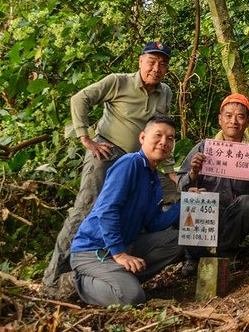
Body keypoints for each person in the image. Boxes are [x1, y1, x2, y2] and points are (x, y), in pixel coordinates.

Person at [43, 41, 173, 297]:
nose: (156, 68)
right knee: (86, 209)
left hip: (141, 162)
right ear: (140, 62)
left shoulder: (165, 92)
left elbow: (160, 132)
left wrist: (169, 171)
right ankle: (54, 278)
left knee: (168, 198)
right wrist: (86, 138)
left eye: (162, 64)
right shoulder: (119, 81)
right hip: (107, 153)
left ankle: (123, 263)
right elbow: (80, 98)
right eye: (151, 62)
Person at [69, 116, 184, 306]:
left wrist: (186, 204)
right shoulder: (130, 163)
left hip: (126, 245)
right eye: (158, 135)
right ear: (142, 138)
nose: (164, 142)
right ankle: (81, 282)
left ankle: (120, 278)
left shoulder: (154, 178)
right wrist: (119, 253)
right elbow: (107, 210)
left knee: (178, 240)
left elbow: (154, 224)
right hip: (95, 249)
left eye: (170, 138)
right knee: (133, 298)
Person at [176, 93, 249, 274]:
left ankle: (225, 254)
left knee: (248, 203)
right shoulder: (203, 147)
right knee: (192, 199)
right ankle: (194, 257)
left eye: (240, 116)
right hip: (206, 215)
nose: (234, 121)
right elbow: (180, 185)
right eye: (229, 116)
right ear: (220, 119)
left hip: (233, 218)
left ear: (247, 122)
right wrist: (193, 173)